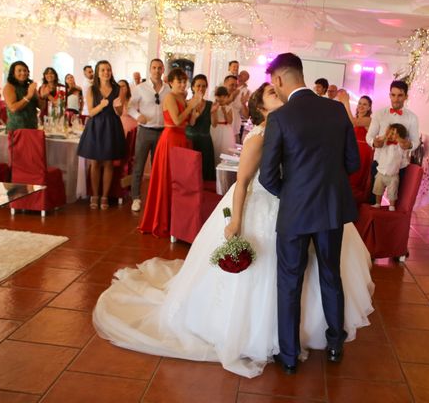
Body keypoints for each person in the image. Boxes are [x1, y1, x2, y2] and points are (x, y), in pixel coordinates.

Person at [92, 82, 374, 379]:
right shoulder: (259, 136)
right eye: (272, 95)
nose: (280, 97)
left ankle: (307, 334)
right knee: (275, 274)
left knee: (306, 272)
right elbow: (243, 184)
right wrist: (236, 221)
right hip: (268, 208)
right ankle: (261, 334)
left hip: (298, 208)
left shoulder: (293, 124)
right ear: (262, 109)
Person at [259, 53, 360, 374]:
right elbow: (353, 163)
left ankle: (288, 356)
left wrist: (290, 195)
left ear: (278, 80)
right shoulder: (335, 110)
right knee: (331, 274)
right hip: (331, 208)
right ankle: (334, 345)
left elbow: (267, 175)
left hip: (296, 212)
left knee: (289, 281)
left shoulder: (280, 118)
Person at [138, 68, 202, 236]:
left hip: (182, 139)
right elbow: (176, 120)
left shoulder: (183, 97)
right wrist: (191, 106)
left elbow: (190, 122)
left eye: (184, 81)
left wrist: (195, 109)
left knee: (181, 182)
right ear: (171, 82)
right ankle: (163, 220)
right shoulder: (170, 97)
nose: (182, 84)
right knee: (168, 180)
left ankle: (178, 222)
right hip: (170, 139)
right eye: (179, 81)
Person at [77, 60, 126, 210]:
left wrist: (117, 108)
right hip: (96, 126)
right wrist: (102, 105)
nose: (106, 72)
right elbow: (90, 112)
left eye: (108, 70)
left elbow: (119, 113)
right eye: (103, 70)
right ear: (98, 72)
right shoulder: (92, 89)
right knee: (95, 163)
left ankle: (104, 196)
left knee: (109, 163)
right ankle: (94, 195)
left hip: (111, 126)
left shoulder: (119, 89)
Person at [128, 58, 170, 213]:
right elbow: (130, 106)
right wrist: (137, 115)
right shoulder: (140, 88)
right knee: (138, 165)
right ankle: (136, 198)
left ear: (163, 69)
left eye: (159, 68)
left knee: (158, 167)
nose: (157, 70)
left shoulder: (168, 89)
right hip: (145, 130)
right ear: (150, 69)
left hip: (162, 132)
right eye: (154, 67)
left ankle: (156, 199)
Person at [365, 80, 419, 174]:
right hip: (379, 163)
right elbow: (369, 136)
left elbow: (416, 141)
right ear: (389, 95)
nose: (396, 99)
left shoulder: (412, 118)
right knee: (375, 189)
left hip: (400, 166)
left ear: (406, 97)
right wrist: (373, 142)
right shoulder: (379, 114)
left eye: (400, 95)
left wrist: (409, 145)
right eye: (393, 95)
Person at [3, 61, 51, 132]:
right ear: (13, 73)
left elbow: (41, 107)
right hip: (16, 129)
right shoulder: (9, 87)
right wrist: (28, 96)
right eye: (19, 71)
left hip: (32, 127)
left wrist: (43, 97)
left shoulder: (30, 86)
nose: (23, 73)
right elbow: (13, 108)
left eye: (25, 70)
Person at [371, 123, 408, 211]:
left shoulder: (400, 146)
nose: (390, 135)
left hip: (393, 174)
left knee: (393, 191)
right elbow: (378, 142)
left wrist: (399, 140)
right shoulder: (383, 143)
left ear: (400, 136)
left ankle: (392, 205)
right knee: (378, 189)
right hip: (381, 172)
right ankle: (377, 203)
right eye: (389, 133)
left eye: (393, 133)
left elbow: (404, 157)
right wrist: (385, 136)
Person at [186, 74, 215, 181]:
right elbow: (190, 123)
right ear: (193, 87)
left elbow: (214, 124)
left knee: (205, 174)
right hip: (190, 140)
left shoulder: (210, 104)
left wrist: (213, 113)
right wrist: (194, 113)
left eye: (203, 86)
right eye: (198, 86)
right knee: (190, 173)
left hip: (205, 141)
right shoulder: (187, 103)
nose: (201, 88)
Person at [210, 86, 234, 165]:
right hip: (215, 129)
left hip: (226, 130)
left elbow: (230, 121)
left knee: (225, 149)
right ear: (216, 96)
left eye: (224, 97)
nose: (222, 99)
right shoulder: (213, 106)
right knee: (215, 148)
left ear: (227, 97)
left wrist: (224, 112)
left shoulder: (229, 108)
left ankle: (223, 167)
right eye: (219, 96)